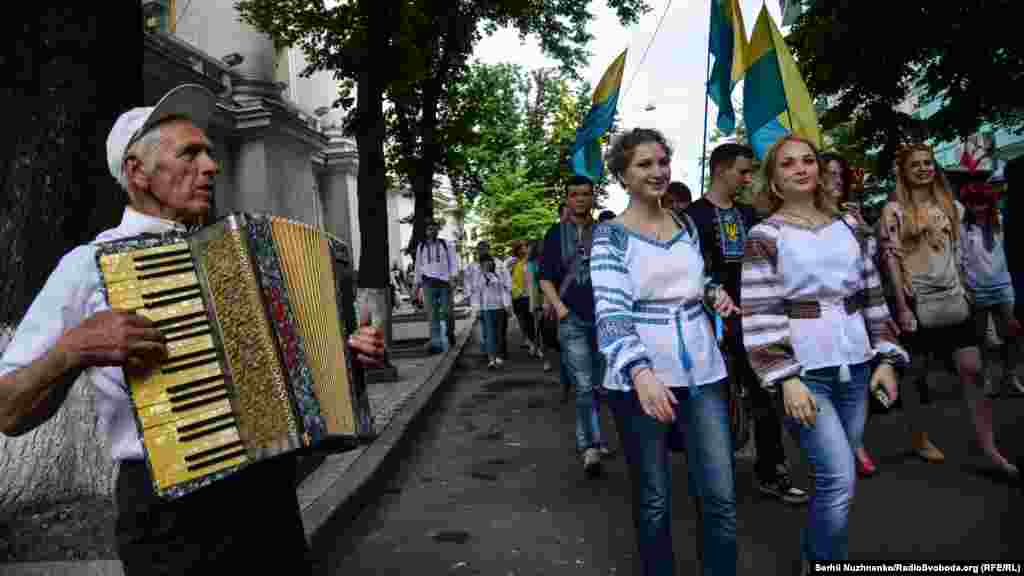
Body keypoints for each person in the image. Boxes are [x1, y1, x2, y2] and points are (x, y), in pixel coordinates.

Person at [0, 84, 387, 575]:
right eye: (190, 154)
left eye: (208, 152)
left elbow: (284, 369)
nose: (211, 166)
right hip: (173, 521)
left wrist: (346, 357)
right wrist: (74, 349)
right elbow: (8, 409)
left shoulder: (240, 251)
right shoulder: (87, 267)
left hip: (268, 503)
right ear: (137, 172)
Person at [742, 135, 907, 567]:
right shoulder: (764, 234)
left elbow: (873, 295)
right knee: (838, 477)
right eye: (788, 164)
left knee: (836, 477)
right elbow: (759, 312)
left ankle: (819, 555)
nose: (801, 168)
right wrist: (786, 378)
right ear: (773, 180)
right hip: (805, 372)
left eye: (808, 160)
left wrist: (887, 358)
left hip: (856, 364)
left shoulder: (850, 225)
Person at [593, 128, 740, 575]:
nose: (658, 172)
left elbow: (693, 279)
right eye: (644, 164)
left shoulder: (685, 224)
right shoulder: (610, 236)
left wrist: (712, 292)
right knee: (654, 499)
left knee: (720, 496)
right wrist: (641, 373)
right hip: (642, 383)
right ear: (622, 175)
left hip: (704, 374)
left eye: (662, 162)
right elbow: (611, 313)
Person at [879, 143, 1018, 479]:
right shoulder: (893, 211)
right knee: (916, 373)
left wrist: (968, 289)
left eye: (928, 163)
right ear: (904, 172)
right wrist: (902, 306)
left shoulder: (952, 207)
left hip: (955, 300)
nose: (923, 168)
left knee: (972, 369)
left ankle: (990, 449)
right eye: (915, 164)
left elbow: (960, 253)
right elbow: (892, 261)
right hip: (918, 304)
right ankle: (918, 437)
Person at [685, 143, 809, 505]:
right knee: (714, 401)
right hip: (710, 325)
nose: (747, 178)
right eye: (742, 171)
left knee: (766, 395)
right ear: (721, 170)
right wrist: (711, 292)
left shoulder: (750, 214)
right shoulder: (691, 217)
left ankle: (772, 471)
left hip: (757, 320)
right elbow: (688, 271)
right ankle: (713, 474)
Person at [540, 175, 612, 477]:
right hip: (572, 320)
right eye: (574, 194)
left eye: (585, 194)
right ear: (567, 199)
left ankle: (596, 436)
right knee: (583, 385)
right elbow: (545, 277)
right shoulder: (554, 234)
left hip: (604, 319)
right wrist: (560, 309)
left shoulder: (606, 231)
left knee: (600, 385)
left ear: (592, 198)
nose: (580, 199)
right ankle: (590, 446)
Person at [821, 151, 880, 477]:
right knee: (828, 391)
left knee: (856, 390)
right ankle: (838, 455)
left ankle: (854, 444)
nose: (836, 180)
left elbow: (867, 265)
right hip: (817, 322)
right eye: (829, 173)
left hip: (854, 316)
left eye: (840, 174)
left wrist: (863, 230)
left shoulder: (851, 217)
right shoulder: (801, 220)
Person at [960, 182, 1023, 396]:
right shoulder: (963, 228)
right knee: (981, 340)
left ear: (989, 203)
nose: (977, 207)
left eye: (982, 202)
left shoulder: (1001, 223)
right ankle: (985, 378)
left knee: (1012, 335)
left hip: (1004, 286)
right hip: (977, 289)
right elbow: (960, 259)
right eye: (972, 203)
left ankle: (1010, 376)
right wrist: (965, 287)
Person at [415, 218, 459, 354]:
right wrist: (416, 286)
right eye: (429, 229)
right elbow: (418, 266)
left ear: (437, 230)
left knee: (448, 312)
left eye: (434, 229)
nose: (432, 231)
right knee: (432, 315)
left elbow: (453, 261)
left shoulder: (446, 244)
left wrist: (454, 277)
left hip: (444, 283)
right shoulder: (421, 246)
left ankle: (450, 332)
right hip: (428, 283)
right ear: (426, 231)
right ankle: (436, 343)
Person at [466, 241, 511, 369]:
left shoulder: (499, 266)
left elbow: (506, 288)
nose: (482, 251)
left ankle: (499, 355)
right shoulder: (475, 270)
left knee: (499, 333)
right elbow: (474, 291)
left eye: (484, 249)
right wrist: (476, 308)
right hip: (486, 309)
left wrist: (507, 305)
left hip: (500, 308)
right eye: (480, 249)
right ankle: (491, 357)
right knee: (489, 333)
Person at [525, 239, 552, 372]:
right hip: (538, 299)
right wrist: (533, 304)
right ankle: (542, 352)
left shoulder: (548, 261)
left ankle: (538, 348)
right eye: (541, 246)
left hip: (549, 297)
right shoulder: (531, 264)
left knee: (546, 328)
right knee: (540, 328)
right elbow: (530, 284)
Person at [509, 240, 538, 356]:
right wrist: (518, 292)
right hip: (519, 297)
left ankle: (534, 345)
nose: (525, 249)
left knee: (532, 322)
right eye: (523, 247)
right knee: (524, 321)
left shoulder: (533, 262)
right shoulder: (513, 263)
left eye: (526, 247)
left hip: (531, 296)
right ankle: (530, 342)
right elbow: (509, 280)